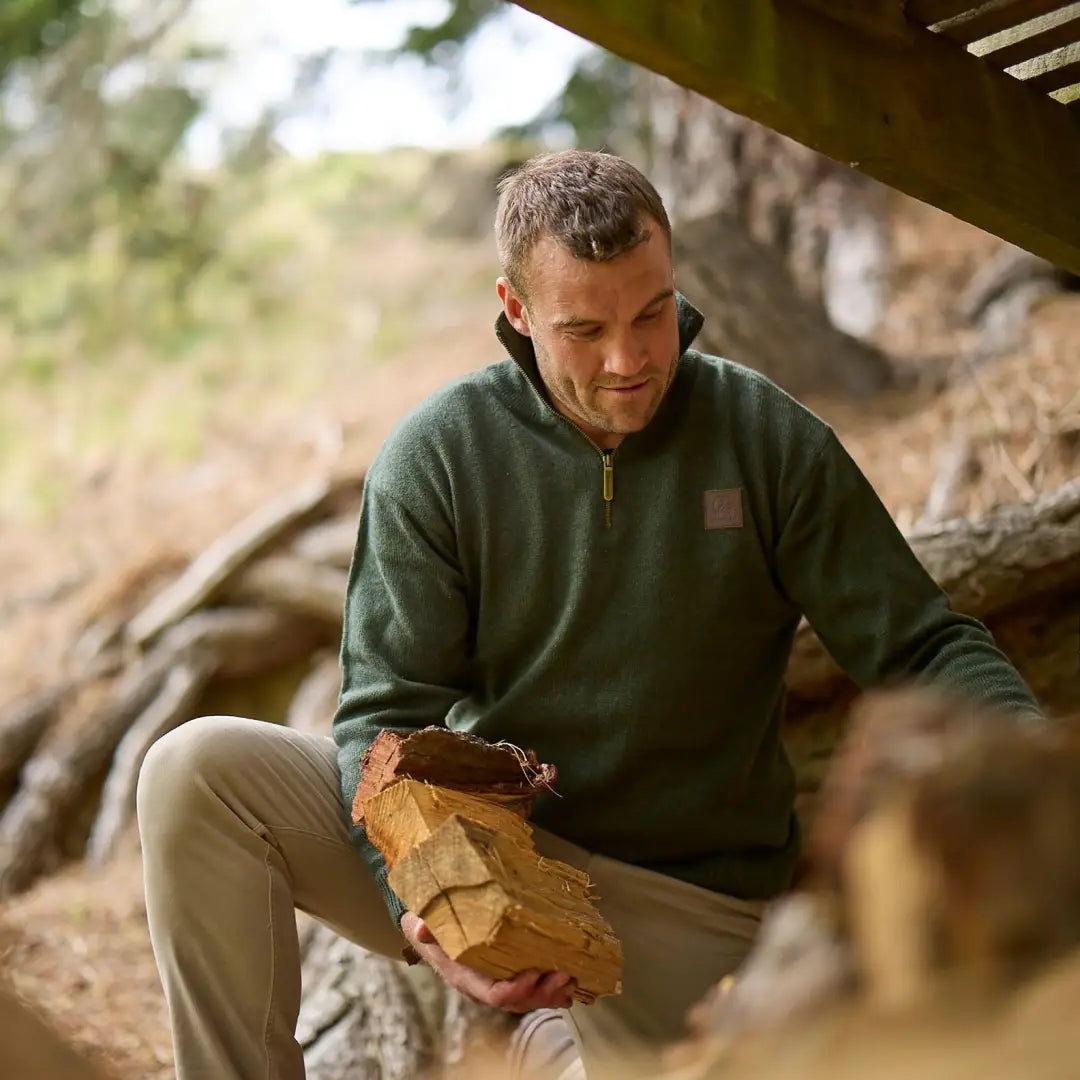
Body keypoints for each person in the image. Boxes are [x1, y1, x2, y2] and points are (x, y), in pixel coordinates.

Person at [137, 150, 1040, 1080]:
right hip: (492, 856)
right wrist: (425, 907)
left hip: (686, 903)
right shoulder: (438, 459)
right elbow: (385, 717)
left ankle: (551, 1045)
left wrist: (1045, 778)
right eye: (584, 329)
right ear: (517, 309)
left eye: (653, 313)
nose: (629, 360)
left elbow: (922, 645)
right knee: (198, 773)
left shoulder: (765, 438)